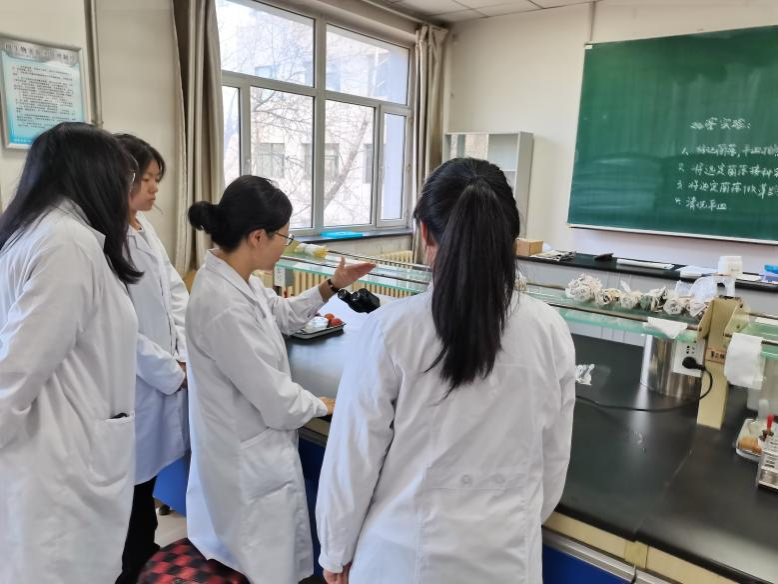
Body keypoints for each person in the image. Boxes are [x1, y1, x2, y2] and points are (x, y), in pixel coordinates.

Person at [316, 158, 577, 584]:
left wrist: (335, 550)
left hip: (402, 560)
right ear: (509, 238)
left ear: (424, 233)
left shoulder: (390, 330)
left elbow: (353, 459)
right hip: (506, 561)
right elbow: (553, 461)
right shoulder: (549, 329)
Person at [184, 175, 374, 583]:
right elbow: (275, 399)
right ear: (258, 236)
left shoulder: (238, 280)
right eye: (284, 237)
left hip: (249, 450)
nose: (286, 245)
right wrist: (324, 404)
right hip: (245, 460)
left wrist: (332, 286)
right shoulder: (223, 304)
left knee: (270, 560)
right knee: (263, 564)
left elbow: (282, 316)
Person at [0, 122, 141, 583]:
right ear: (96, 176)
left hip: (60, 454)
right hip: (62, 467)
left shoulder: (37, 232)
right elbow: (16, 371)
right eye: (126, 179)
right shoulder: (68, 244)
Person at [115, 134, 190, 583]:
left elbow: (174, 292)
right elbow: (122, 328)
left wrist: (183, 353)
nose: (155, 188)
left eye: (157, 178)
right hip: (137, 384)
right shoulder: (107, 239)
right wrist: (169, 370)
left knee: (144, 485)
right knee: (131, 489)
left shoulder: (145, 226)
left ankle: (145, 552)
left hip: (169, 369)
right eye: (147, 179)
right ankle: (133, 565)